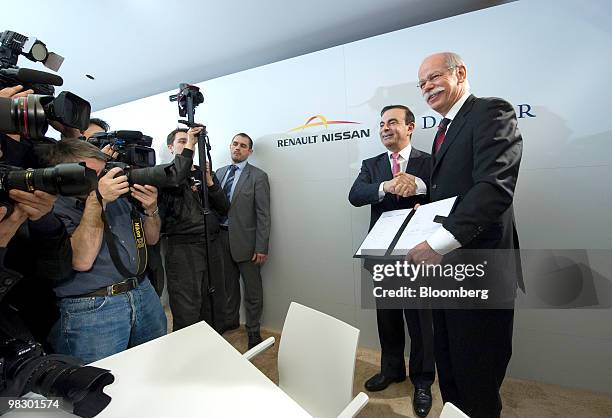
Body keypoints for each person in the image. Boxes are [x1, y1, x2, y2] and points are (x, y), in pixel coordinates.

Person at [408, 52, 523, 418]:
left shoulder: (491, 112)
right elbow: (456, 192)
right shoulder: (443, 130)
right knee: (451, 369)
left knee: (477, 376)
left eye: (433, 77)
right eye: (421, 83)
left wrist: (437, 241)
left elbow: (493, 188)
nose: (426, 87)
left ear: (460, 73)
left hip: (481, 271)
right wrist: (425, 214)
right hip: (448, 271)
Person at [46, 139, 167, 363]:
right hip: (94, 308)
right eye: (95, 174)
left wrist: (151, 210)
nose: (104, 180)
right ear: (66, 175)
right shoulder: (53, 210)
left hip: (142, 292)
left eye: (104, 171)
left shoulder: (119, 199)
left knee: (156, 364)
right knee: (100, 385)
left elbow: (151, 238)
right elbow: (81, 260)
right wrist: (96, 201)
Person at [349, 105, 434, 417]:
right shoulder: (371, 165)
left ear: (410, 127)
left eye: (393, 122)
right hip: (382, 253)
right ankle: (392, 369)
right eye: (382, 123)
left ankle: (423, 380)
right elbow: (356, 195)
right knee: (387, 318)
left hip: (419, 253)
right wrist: (386, 186)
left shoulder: (429, 161)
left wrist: (419, 186)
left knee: (421, 321)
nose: (385, 128)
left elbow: (445, 193)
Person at [159, 126, 229, 332]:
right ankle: (187, 352)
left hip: (211, 244)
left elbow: (225, 208)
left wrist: (210, 183)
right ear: (171, 147)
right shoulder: (165, 175)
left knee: (214, 302)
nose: (187, 144)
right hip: (183, 249)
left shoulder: (204, 172)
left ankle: (213, 345)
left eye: (190, 141)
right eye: (182, 141)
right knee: (187, 306)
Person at [217, 133, 270, 349]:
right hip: (220, 239)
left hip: (247, 243)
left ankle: (253, 331)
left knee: (253, 291)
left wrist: (261, 246)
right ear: (230, 147)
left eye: (243, 146)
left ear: (250, 151)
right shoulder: (219, 173)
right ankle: (230, 322)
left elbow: (263, 215)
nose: (238, 148)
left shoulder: (258, 176)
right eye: (235, 144)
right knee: (228, 287)